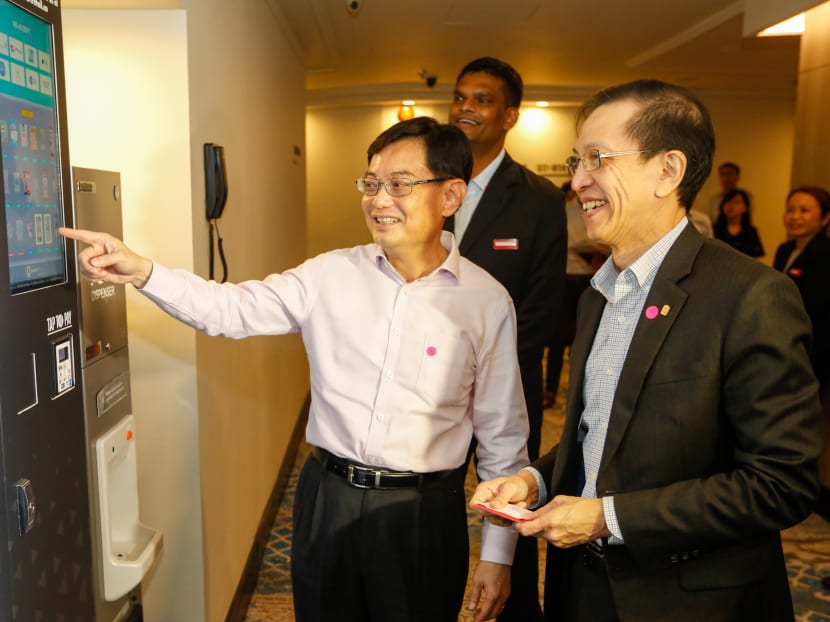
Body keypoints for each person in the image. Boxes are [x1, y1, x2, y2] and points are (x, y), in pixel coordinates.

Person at [60, 117, 530, 622]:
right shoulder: (329, 274)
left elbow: (502, 436)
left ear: (451, 196)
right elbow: (230, 309)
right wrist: (143, 271)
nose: (378, 200)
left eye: (399, 185)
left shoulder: (486, 302)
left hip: (423, 515)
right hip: (328, 498)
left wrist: (498, 555)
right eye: (371, 184)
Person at [470, 79, 822, 622]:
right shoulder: (597, 295)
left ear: (668, 170)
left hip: (687, 601)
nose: (578, 180)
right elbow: (598, 435)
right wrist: (532, 480)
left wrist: (606, 518)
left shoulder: (749, 295)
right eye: (576, 160)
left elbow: (781, 484)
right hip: (577, 586)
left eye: (597, 158)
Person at [447, 56, 567, 622]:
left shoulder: (538, 197)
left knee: (512, 502)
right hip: (432, 382)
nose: (466, 108)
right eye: (460, 96)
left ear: (510, 115)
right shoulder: (430, 182)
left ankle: (517, 609)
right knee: (435, 501)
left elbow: (543, 305)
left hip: (509, 381)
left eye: (483, 99)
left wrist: (487, 372)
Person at [773, 186, 830, 532]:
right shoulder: (785, 250)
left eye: (804, 210)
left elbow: (815, 311)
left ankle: (801, 491)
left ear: (824, 218)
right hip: (785, 347)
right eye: (791, 208)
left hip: (813, 352)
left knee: (803, 422)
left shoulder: (824, 254)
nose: (794, 216)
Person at [543, 180, 606, 409]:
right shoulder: (561, 211)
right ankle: (550, 389)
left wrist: (600, 252)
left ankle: (583, 393)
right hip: (564, 278)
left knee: (586, 338)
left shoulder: (597, 209)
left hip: (590, 279)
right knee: (558, 339)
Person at [712, 188, 764, 257]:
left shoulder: (750, 231)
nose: (731, 206)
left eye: (736, 202)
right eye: (728, 201)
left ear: (745, 208)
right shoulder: (714, 229)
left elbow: (755, 257)